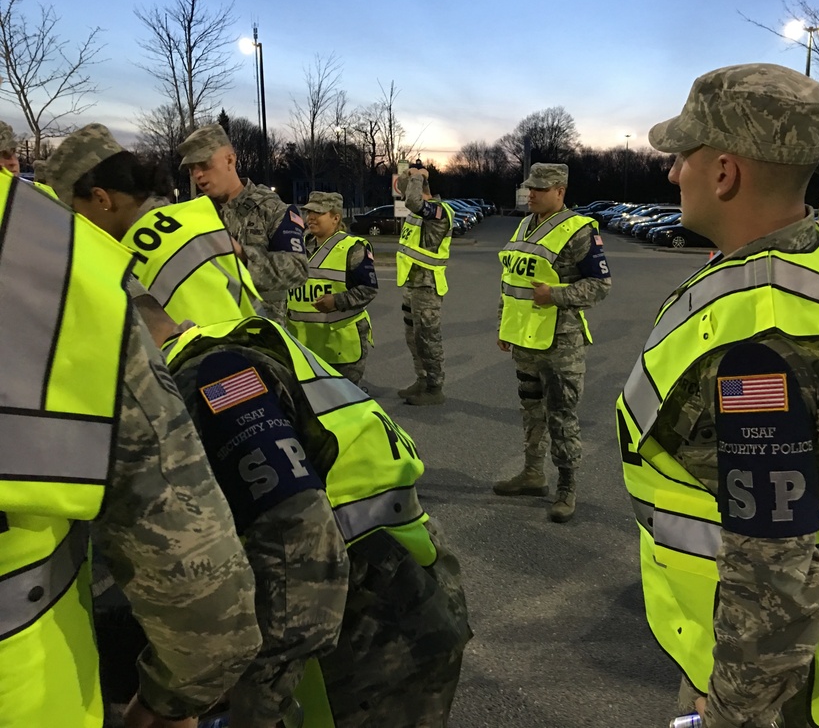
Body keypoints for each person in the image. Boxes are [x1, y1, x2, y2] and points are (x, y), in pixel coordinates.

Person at [616, 63, 819, 728]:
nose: (671, 174)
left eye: (682, 156)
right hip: (785, 655)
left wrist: (736, 712)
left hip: (771, 684)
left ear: (724, 173)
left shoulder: (767, 333)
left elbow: (774, 575)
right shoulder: (812, 265)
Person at [0, 169, 262, 728]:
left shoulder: (57, 248)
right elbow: (203, 586)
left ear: (101, 198)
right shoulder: (42, 247)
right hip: (30, 692)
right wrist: (170, 701)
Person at [157, 314, 472, 728]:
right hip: (406, 588)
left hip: (373, 630)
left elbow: (300, 558)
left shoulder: (212, 376)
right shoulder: (225, 347)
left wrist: (249, 710)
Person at [43, 123, 262, 327]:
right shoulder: (190, 217)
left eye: (76, 212)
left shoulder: (129, 264)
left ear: (102, 199)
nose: (78, 227)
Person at [492, 163, 611, 522]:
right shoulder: (525, 225)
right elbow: (511, 280)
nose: (531, 194)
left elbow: (601, 286)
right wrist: (504, 326)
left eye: (540, 189)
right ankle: (532, 474)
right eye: (530, 188)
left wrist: (555, 295)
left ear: (560, 191)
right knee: (531, 412)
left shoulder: (579, 231)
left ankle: (567, 487)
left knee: (561, 417)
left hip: (561, 344)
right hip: (524, 341)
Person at [178, 124, 308, 323]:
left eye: (204, 165)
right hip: (207, 334)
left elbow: (297, 270)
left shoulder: (272, 209)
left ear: (230, 159)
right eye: (191, 169)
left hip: (260, 337)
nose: (197, 175)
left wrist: (241, 255)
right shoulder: (193, 214)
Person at [288, 190, 378, 386]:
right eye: (308, 212)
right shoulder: (298, 245)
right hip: (304, 343)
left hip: (341, 344)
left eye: (318, 213)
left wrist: (337, 301)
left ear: (336, 218)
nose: (310, 218)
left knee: (344, 402)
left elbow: (369, 289)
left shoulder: (352, 248)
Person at [395, 166, 453, 405]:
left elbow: (413, 201)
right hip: (412, 284)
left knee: (428, 339)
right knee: (413, 337)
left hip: (427, 287)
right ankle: (422, 379)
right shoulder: (418, 215)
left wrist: (418, 176)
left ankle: (434, 388)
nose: (403, 197)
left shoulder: (438, 211)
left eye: (407, 191)